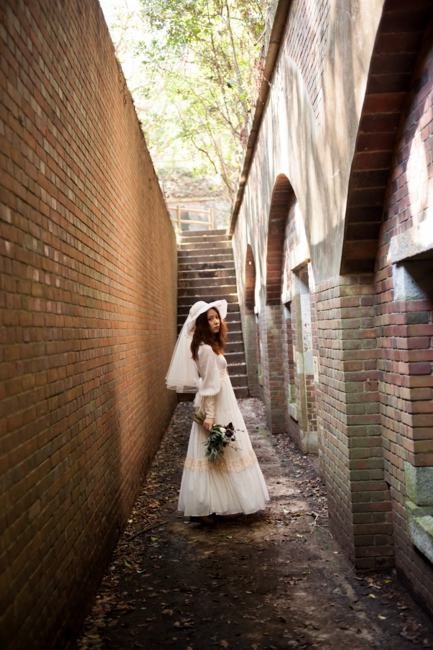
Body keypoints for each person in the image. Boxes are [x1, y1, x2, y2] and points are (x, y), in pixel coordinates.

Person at [166, 299, 269, 524]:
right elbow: (209, 386)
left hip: (225, 402)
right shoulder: (203, 349)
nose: (215, 321)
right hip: (216, 406)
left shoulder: (209, 345)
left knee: (225, 452)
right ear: (202, 323)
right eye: (210, 319)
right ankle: (204, 508)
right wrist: (210, 415)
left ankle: (227, 503)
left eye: (216, 317)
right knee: (214, 453)